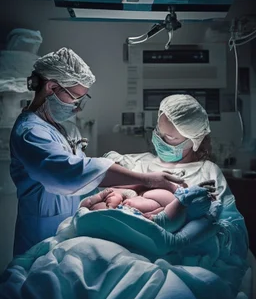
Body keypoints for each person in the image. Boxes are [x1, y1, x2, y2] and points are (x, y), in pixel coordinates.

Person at [9, 48, 184, 256]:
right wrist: (146, 179)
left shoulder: (59, 127)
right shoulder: (30, 133)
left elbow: (86, 181)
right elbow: (71, 174)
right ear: (51, 87)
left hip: (68, 235)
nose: (78, 108)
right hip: (40, 239)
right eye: (75, 98)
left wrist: (128, 187)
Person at [104, 94, 248, 259]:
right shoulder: (138, 161)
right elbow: (98, 175)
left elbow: (231, 229)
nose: (161, 140)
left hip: (177, 254)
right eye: (159, 132)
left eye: (171, 138)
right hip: (127, 245)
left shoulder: (207, 172)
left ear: (194, 140)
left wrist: (190, 225)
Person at [80, 182, 216, 233]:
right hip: (145, 201)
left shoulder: (128, 213)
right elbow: (84, 205)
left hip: (156, 206)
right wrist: (102, 196)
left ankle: (187, 199)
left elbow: (160, 222)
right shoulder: (97, 204)